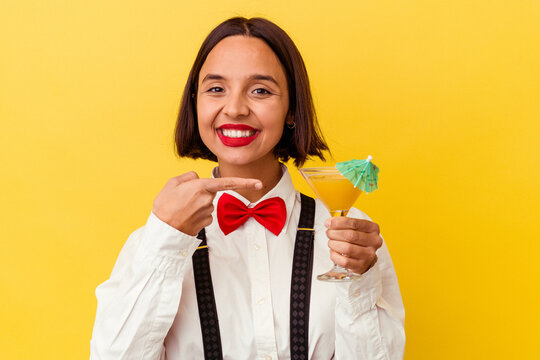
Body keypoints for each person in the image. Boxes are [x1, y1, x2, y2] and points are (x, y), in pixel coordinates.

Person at [90, 17, 405, 360]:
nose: (236, 108)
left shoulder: (350, 236)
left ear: (292, 110)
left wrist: (360, 279)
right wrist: (166, 242)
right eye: (216, 89)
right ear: (195, 104)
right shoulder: (155, 242)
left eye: (260, 90)